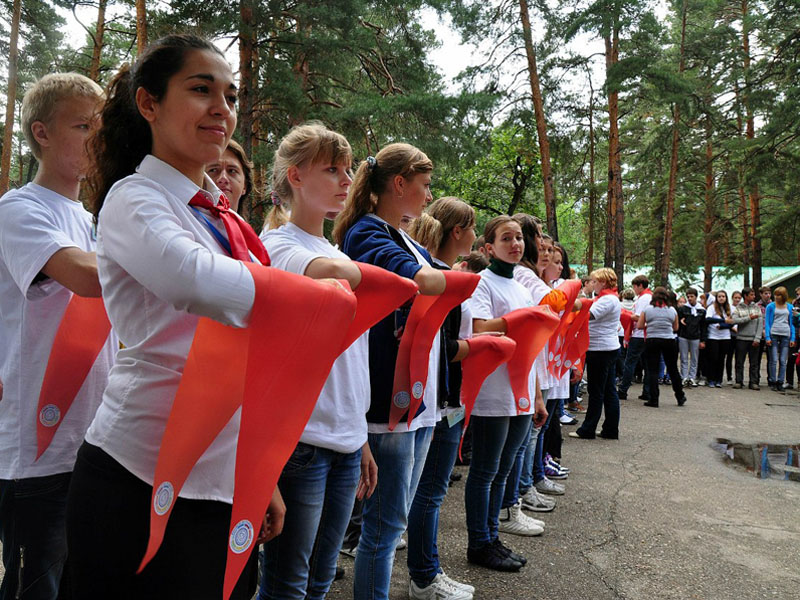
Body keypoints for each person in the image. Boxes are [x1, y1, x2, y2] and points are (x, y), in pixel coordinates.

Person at [65, 35, 287, 599]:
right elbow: (192, 281)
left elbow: (253, 349)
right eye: (201, 89)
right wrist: (315, 294)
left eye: (231, 96)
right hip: (137, 475)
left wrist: (262, 474)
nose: (223, 108)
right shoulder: (133, 199)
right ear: (149, 104)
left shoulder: (228, 220)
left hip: (224, 479)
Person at [0, 72, 116, 600]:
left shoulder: (91, 220)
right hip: (36, 448)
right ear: (41, 133)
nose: (97, 139)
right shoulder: (19, 210)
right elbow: (88, 278)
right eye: (83, 125)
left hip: (92, 437)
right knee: (35, 586)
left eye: (102, 127)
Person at [257, 123, 378, 600]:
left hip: (345, 440)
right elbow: (330, 274)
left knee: (322, 579)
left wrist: (361, 437)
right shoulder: (278, 246)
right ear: (296, 177)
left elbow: (353, 359)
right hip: (302, 439)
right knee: (287, 582)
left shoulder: (332, 247)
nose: (346, 180)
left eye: (348, 170)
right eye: (332, 169)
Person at [333, 143, 451, 600]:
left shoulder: (402, 237)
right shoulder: (365, 232)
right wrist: (456, 281)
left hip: (415, 398)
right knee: (383, 530)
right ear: (399, 184)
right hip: (389, 399)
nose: (427, 196)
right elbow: (420, 281)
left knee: (392, 524)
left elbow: (437, 274)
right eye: (422, 186)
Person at [464, 215, 546, 572]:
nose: (515, 244)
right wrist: (521, 320)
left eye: (518, 238)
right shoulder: (483, 283)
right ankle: (478, 542)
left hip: (523, 392)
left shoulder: (523, 287)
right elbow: (480, 328)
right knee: (485, 471)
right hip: (493, 391)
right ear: (488, 248)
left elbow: (535, 346)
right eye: (506, 239)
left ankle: (492, 535)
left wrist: (539, 395)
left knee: (505, 469)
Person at [405, 197, 477, 600]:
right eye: (471, 228)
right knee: (429, 494)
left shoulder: (444, 274)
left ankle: (427, 570)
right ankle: (424, 574)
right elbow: (443, 346)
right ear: (456, 232)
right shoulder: (441, 278)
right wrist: (480, 345)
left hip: (447, 398)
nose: (474, 236)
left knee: (429, 493)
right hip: (442, 400)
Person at [569, 268, 621, 440]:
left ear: (603, 282)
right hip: (607, 348)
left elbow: (587, 314)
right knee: (607, 391)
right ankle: (610, 429)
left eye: (594, 281)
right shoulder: (609, 298)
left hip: (600, 349)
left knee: (597, 391)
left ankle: (588, 429)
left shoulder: (606, 300)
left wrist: (573, 303)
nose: (592, 284)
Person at [638, 287, 686, 407]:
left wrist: (651, 325)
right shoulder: (672, 310)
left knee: (653, 370)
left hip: (652, 340)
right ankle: (680, 396)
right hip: (669, 340)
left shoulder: (647, 309)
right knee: (673, 369)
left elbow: (639, 325)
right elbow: (675, 328)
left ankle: (654, 399)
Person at [617, 275, 652, 401]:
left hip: (639, 334)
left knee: (630, 362)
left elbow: (638, 317)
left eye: (634, 286)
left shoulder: (644, 298)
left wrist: (626, 315)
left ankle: (623, 390)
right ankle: (647, 391)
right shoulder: (648, 297)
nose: (634, 289)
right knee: (647, 364)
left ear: (640, 286)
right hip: (647, 334)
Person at [206, 138, 253, 213]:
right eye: (213, 170)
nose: (223, 178)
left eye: (232, 171)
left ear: (245, 185)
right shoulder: (183, 223)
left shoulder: (244, 225)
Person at [764, 286, 796, 391]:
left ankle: (780, 381)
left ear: (784, 296)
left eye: (779, 295)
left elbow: (792, 323)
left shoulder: (790, 307)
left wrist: (793, 338)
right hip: (774, 333)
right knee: (773, 359)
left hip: (786, 334)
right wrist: (767, 336)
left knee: (783, 360)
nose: (777, 297)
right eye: (776, 295)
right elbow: (767, 322)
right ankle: (772, 380)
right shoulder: (770, 306)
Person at [732, 287, 763, 390]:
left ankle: (753, 382)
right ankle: (739, 381)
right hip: (741, 338)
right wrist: (749, 318)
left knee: (754, 362)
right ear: (745, 296)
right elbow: (735, 320)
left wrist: (757, 338)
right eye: (751, 295)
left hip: (753, 338)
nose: (753, 297)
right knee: (739, 361)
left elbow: (760, 323)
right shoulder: (738, 308)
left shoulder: (757, 308)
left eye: (754, 295)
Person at [704, 291, 734, 388]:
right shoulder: (712, 308)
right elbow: (708, 319)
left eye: (723, 296)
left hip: (725, 337)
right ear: (716, 298)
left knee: (721, 359)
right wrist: (722, 320)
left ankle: (719, 380)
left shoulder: (729, 309)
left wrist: (723, 326)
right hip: (713, 336)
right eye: (719, 296)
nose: (721, 298)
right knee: (713, 358)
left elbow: (732, 322)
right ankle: (711, 379)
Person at [677, 287, 706, 387]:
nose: (689, 298)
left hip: (695, 336)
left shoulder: (701, 310)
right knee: (684, 358)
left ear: (696, 297)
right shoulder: (682, 309)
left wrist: (703, 340)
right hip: (683, 336)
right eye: (688, 296)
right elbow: (678, 322)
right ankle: (684, 377)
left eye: (692, 296)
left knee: (694, 358)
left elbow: (703, 326)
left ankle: (692, 377)